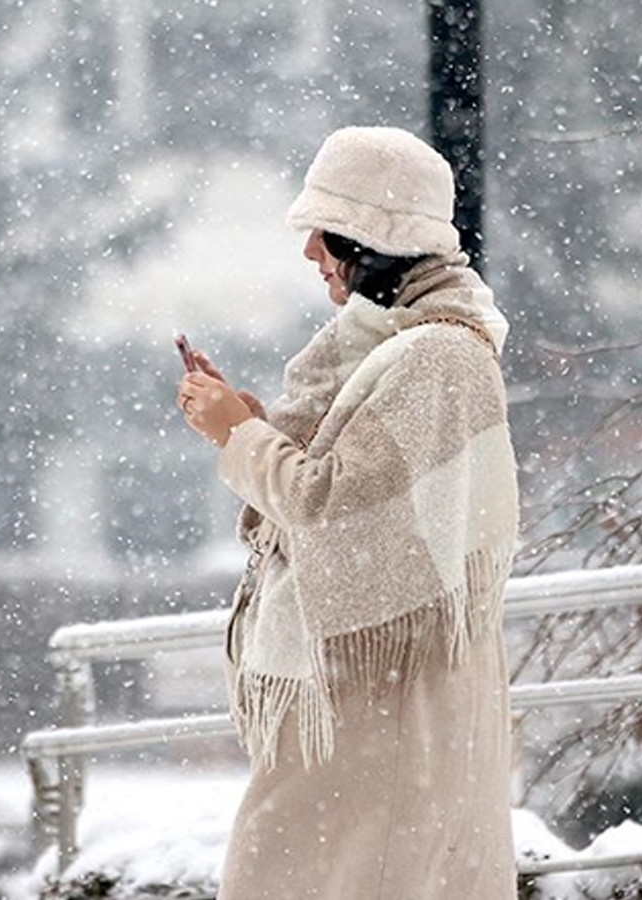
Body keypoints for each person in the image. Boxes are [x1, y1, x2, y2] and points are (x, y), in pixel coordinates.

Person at [175, 126, 520, 900]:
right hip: (371, 704)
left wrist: (239, 433)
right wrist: (250, 425)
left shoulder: (435, 356)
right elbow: (346, 493)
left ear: (372, 238)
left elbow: (331, 509)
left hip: (384, 712)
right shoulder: (396, 347)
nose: (310, 254)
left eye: (323, 232)